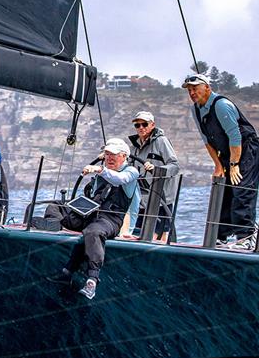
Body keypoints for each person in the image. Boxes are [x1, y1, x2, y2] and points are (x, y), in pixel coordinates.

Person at [47, 138, 139, 299]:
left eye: (114, 155)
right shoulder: (102, 172)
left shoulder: (131, 172)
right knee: (54, 208)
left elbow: (120, 180)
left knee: (92, 231)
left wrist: (99, 169)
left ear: (124, 156)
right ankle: (53, 233)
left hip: (110, 220)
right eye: (107, 154)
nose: (109, 158)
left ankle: (92, 280)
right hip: (91, 213)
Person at [182, 73, 259, 249]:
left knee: (241, 188)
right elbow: (207, 141)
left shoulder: (222, 106)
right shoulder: (195, 109)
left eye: (195, 88)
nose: (192, 93)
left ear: (207, 88)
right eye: (189, 90)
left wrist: (234, 165)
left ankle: (245, 237)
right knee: (225, 190)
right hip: (226, 152)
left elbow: (235, 137)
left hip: (245, 149)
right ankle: (222, 237)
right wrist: (218, 165)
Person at [128, 111, 180, 242]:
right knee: (136, 235)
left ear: (152, 125)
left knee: (159, 237)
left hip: (161, 199)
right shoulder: (133, 147)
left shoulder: (161, 141)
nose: (141, 128)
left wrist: (157, 169)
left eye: (144, 124)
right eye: (137, 125)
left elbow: (174, 166)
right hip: (141, 201)